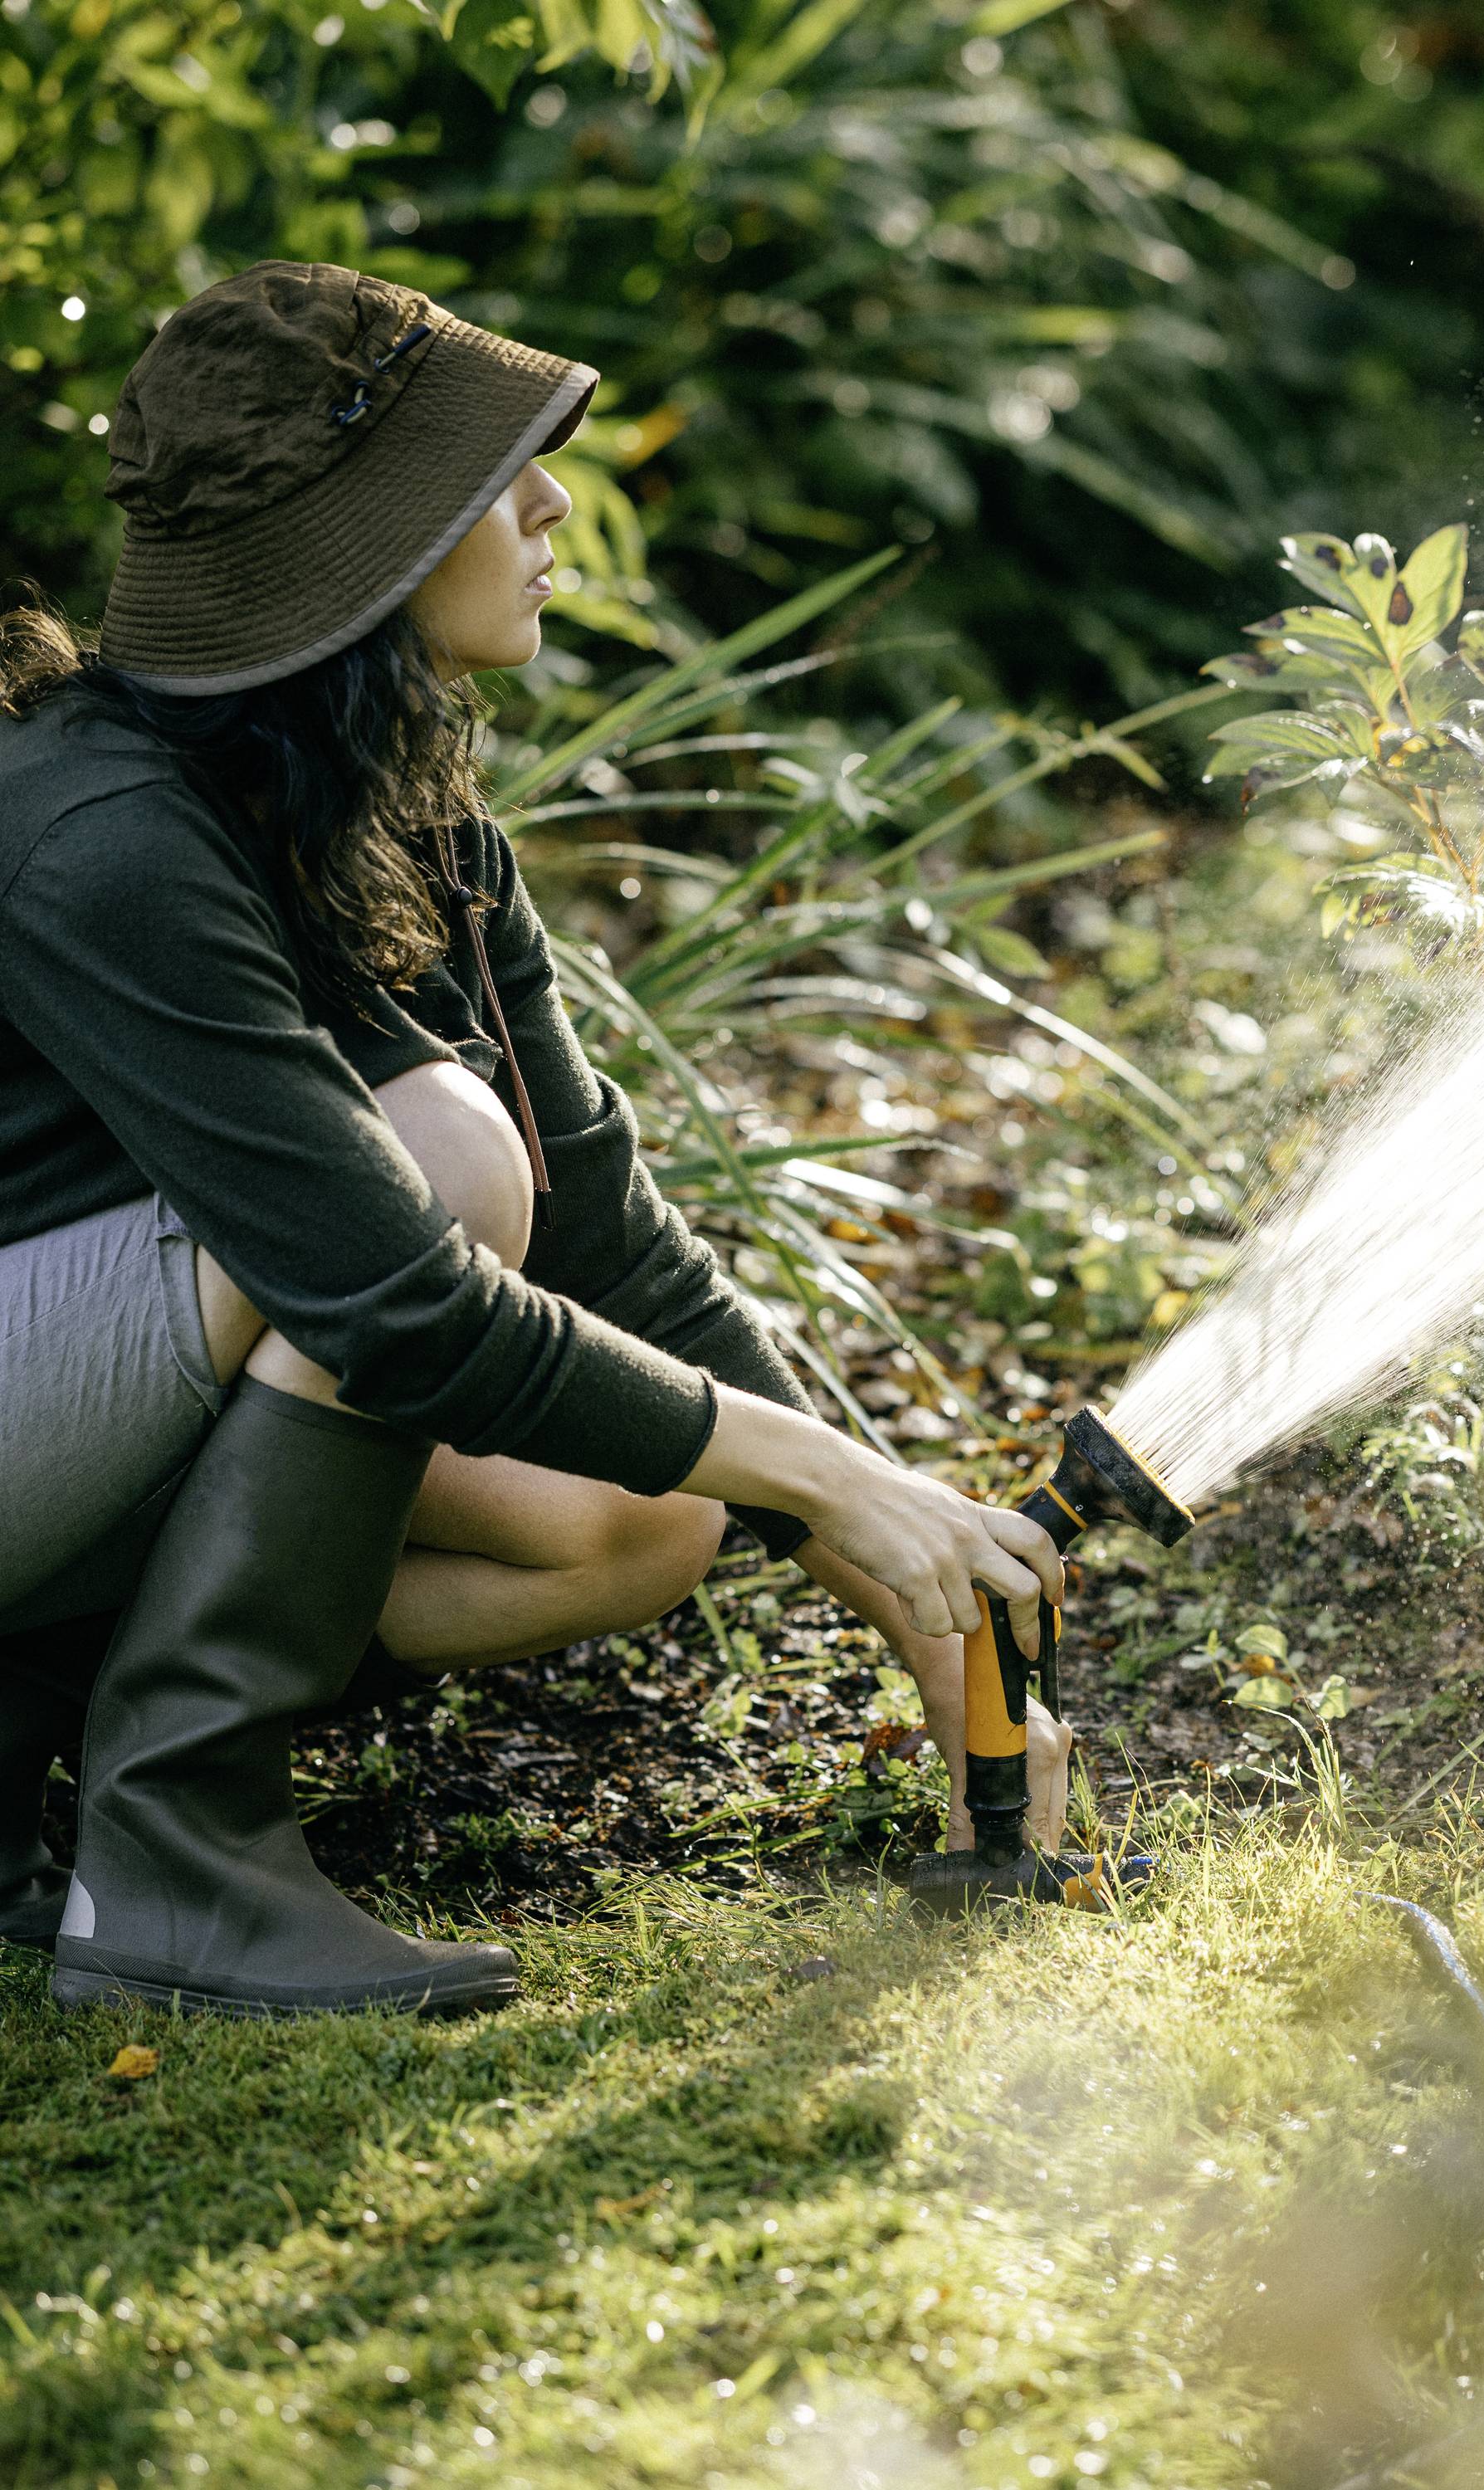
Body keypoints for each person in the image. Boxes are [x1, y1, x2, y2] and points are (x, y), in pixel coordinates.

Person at [0, 260, 1073, 2017]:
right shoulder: (97, 836)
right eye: (497, 478)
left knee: (637, 1519)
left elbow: (605, 1236)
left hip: (52, 1430)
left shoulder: (389, 812)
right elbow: (393, 1306)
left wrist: (911, 1573)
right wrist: (825, 1480)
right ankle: (175, 1861)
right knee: (442, 1160)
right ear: (365, 546)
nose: (556, 502)